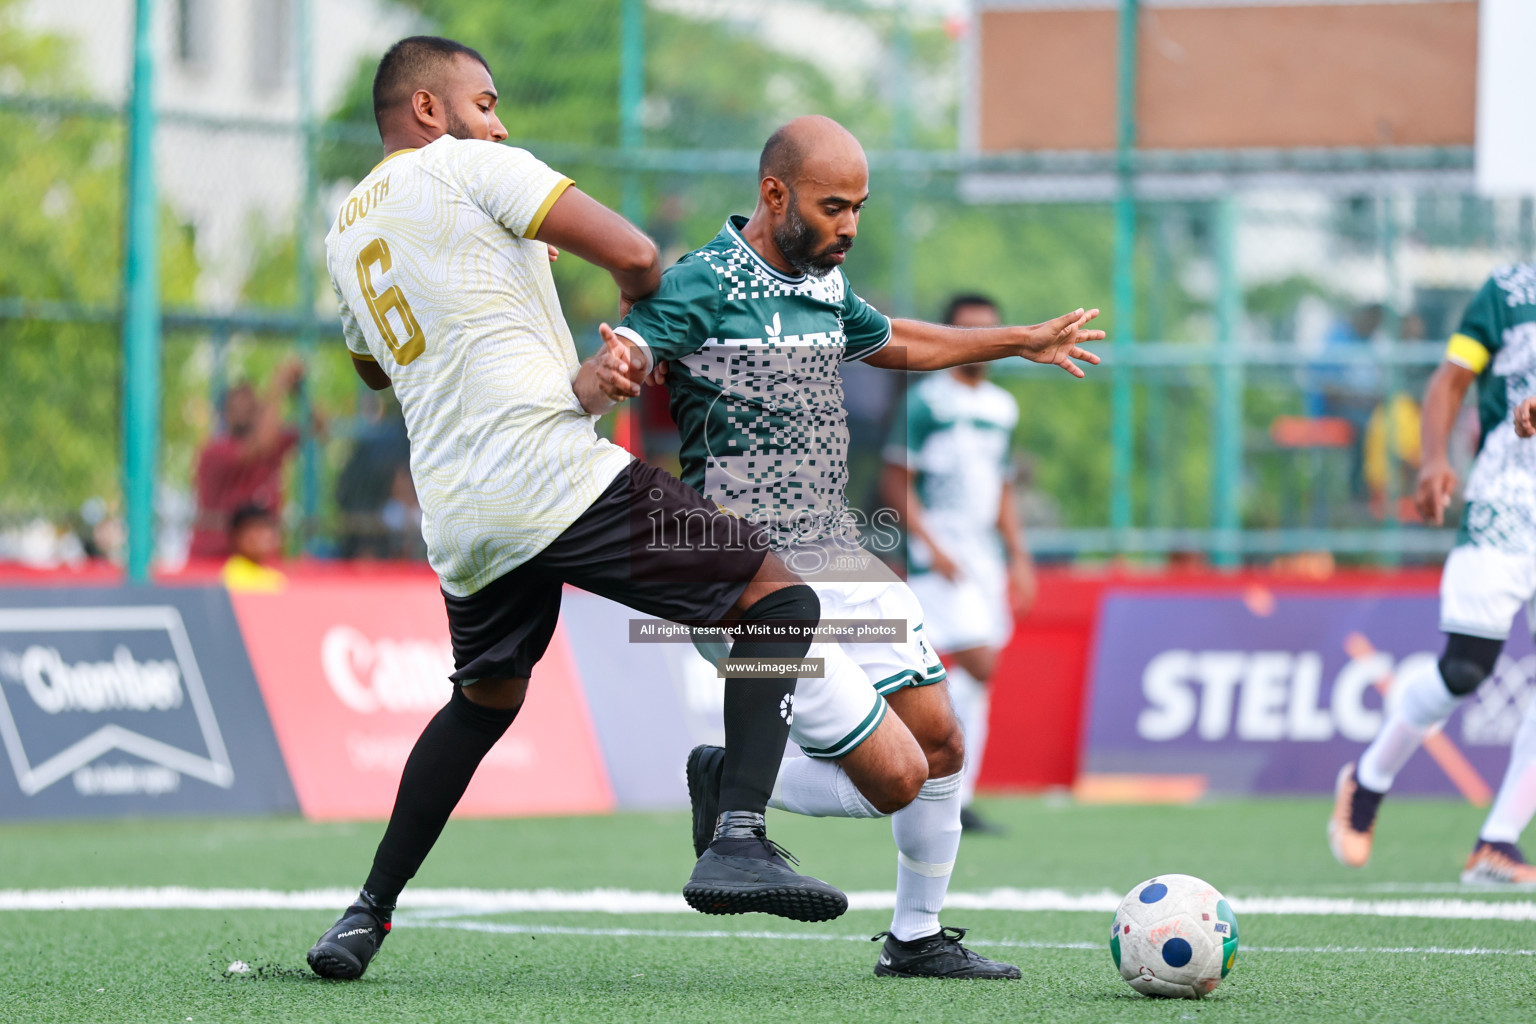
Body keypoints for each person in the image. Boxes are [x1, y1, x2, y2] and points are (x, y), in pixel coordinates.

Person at [307, 37, 845, 981]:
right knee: (778, 598)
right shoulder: (472, 165)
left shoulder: (345, 231)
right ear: (430, 112)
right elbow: (635, 250)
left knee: (483, 701)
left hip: (462, 511)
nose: (499, 120)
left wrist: (582, 380)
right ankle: (740, 833)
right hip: (550, 476)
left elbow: (378, 367)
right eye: (485, 100)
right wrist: (645, 335)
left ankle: (365, 913)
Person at [592, 115, 1100, 978]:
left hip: (841, 559)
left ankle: (915, 938)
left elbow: (895, 339)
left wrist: (1019, 341)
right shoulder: (704, 282)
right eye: (834, 207)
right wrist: (619, 364)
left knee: (942, 744)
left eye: (859, 208)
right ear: (774, 193)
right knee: (896, 778)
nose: (849, 227)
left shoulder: (824, 281)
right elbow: (637, 344)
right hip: (754, 581)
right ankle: (733, 783)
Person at [1330, 264, 1536, 883]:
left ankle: (1497, 841)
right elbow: (1452, 380)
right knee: (1466, 669)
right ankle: (1367, 782)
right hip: (1508, 497)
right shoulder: (1509, 292)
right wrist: (1434, 460)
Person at [879, 293, 1036, 835]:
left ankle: (954, 792)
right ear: (952, 334)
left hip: (984, 559)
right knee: (980, 662)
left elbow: (1003, 489)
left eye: (990, 331)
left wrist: (1018, 555)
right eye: (969, 330)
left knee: (973, 675)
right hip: (939, 560)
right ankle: (924, 777)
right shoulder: (927, 401)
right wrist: (931, 544)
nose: (981, 342)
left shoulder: (1002, 407)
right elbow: (896, 481)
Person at [188, 359, 305, 559]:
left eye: (251, 405)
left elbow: (317, 424)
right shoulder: (214, 452)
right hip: (217, 558)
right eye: (237, 405)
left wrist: (300, 394)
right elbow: (261, 444)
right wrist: (278, 385)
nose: (246, 410)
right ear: (225, 413)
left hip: (261, 560)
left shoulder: (273, 443)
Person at [220, 504, 287, 593]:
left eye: (266, 528)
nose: (263, 536)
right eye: (256, 529)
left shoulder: (275, 578)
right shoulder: (233, 576)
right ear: (236, 535)